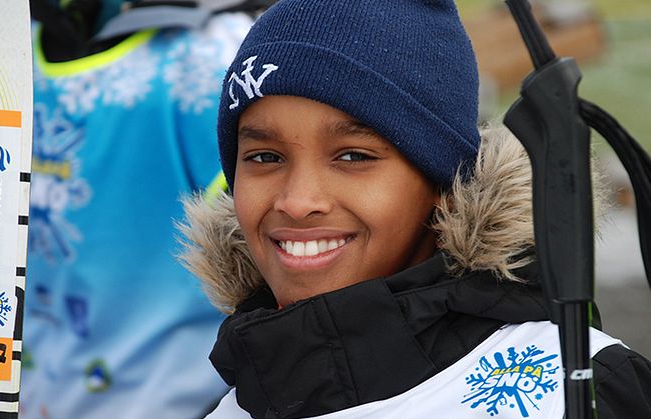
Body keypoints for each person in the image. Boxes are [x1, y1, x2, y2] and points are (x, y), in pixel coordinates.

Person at [177, 0, 651, 418]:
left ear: (445, 181)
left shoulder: (574, 389)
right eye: (265, 157)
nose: (298, 202)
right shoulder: (233, 407)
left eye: (353, 157)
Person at [21, 1, 260, 417]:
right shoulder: (7, 43)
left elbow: (275, 243)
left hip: (169, 400)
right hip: (14, 390)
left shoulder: (207, 57)